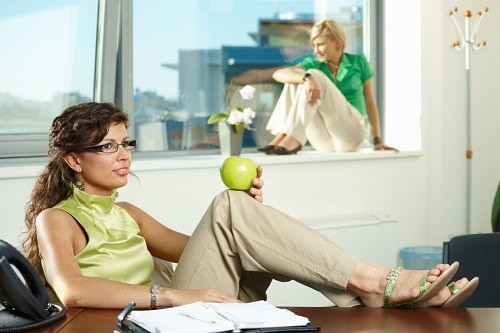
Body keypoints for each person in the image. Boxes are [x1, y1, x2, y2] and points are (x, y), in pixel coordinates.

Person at [23, 102, 477, 310]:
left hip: (201, 304)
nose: (123, 155)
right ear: (73, 160)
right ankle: (372, 284)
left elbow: (200, 249)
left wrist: (248, 218)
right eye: (106, 147)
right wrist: (174, 295)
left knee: (234, 209)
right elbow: (73, 291)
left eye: (126, 143)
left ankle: (371, 293)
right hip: (161, 316)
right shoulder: (57, 218)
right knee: (229, 208)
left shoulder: (127, 213)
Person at [258, 18, 398, 155]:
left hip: (352, 134)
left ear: (337, 43)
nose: (315, 51)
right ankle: (285, 133)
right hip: (326, 142)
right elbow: (278, 74)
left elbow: (370, 102)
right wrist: (307, 79)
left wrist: (377, 140)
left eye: (320, 44)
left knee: (312, 74)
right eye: (313, 46)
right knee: (298, 77)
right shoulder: (316, 64)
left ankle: (292, 137)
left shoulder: (358, 62)